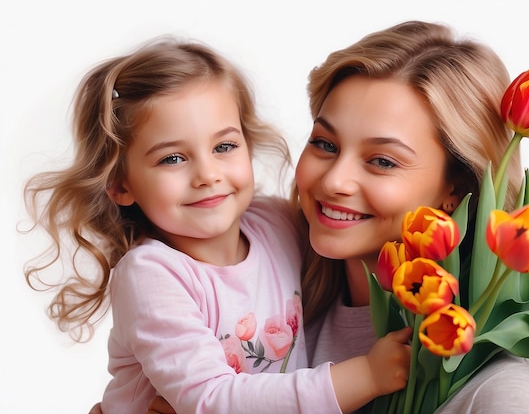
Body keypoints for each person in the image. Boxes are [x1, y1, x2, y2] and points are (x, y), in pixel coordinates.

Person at [92, 20, 529, 414]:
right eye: (325, 144)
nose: (334, 180)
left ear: (455, 189)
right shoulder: (286, 277)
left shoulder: (497, 388)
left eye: (382, 161)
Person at [22, 37, 412, 414]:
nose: (208, 174)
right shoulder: (152, 275)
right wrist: (367, 375)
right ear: (120, 184)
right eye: (173, 159)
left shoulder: (277, 224)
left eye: (224, 147)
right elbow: (211, 401)